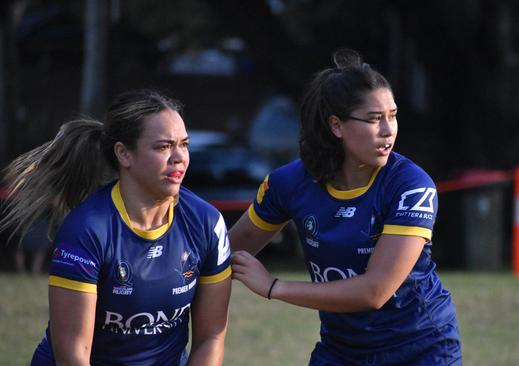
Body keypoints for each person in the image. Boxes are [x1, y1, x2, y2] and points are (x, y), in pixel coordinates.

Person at [229, 49, 462, 365]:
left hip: (419, 349)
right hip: (341, 351)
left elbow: (375, 292)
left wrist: (274, 286)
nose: (388, 130)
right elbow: (223, 254)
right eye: (373, 119)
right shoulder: (288, 184)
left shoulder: (410, 185)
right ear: (336, 126)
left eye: (392, 116)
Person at [0, 89, 231, 365]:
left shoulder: (207, 223)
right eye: (163, 147)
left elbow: (211, 339)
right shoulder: (87, 230)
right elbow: (73, 356)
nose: (179, 157)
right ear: (124, 154)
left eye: (184, 144)